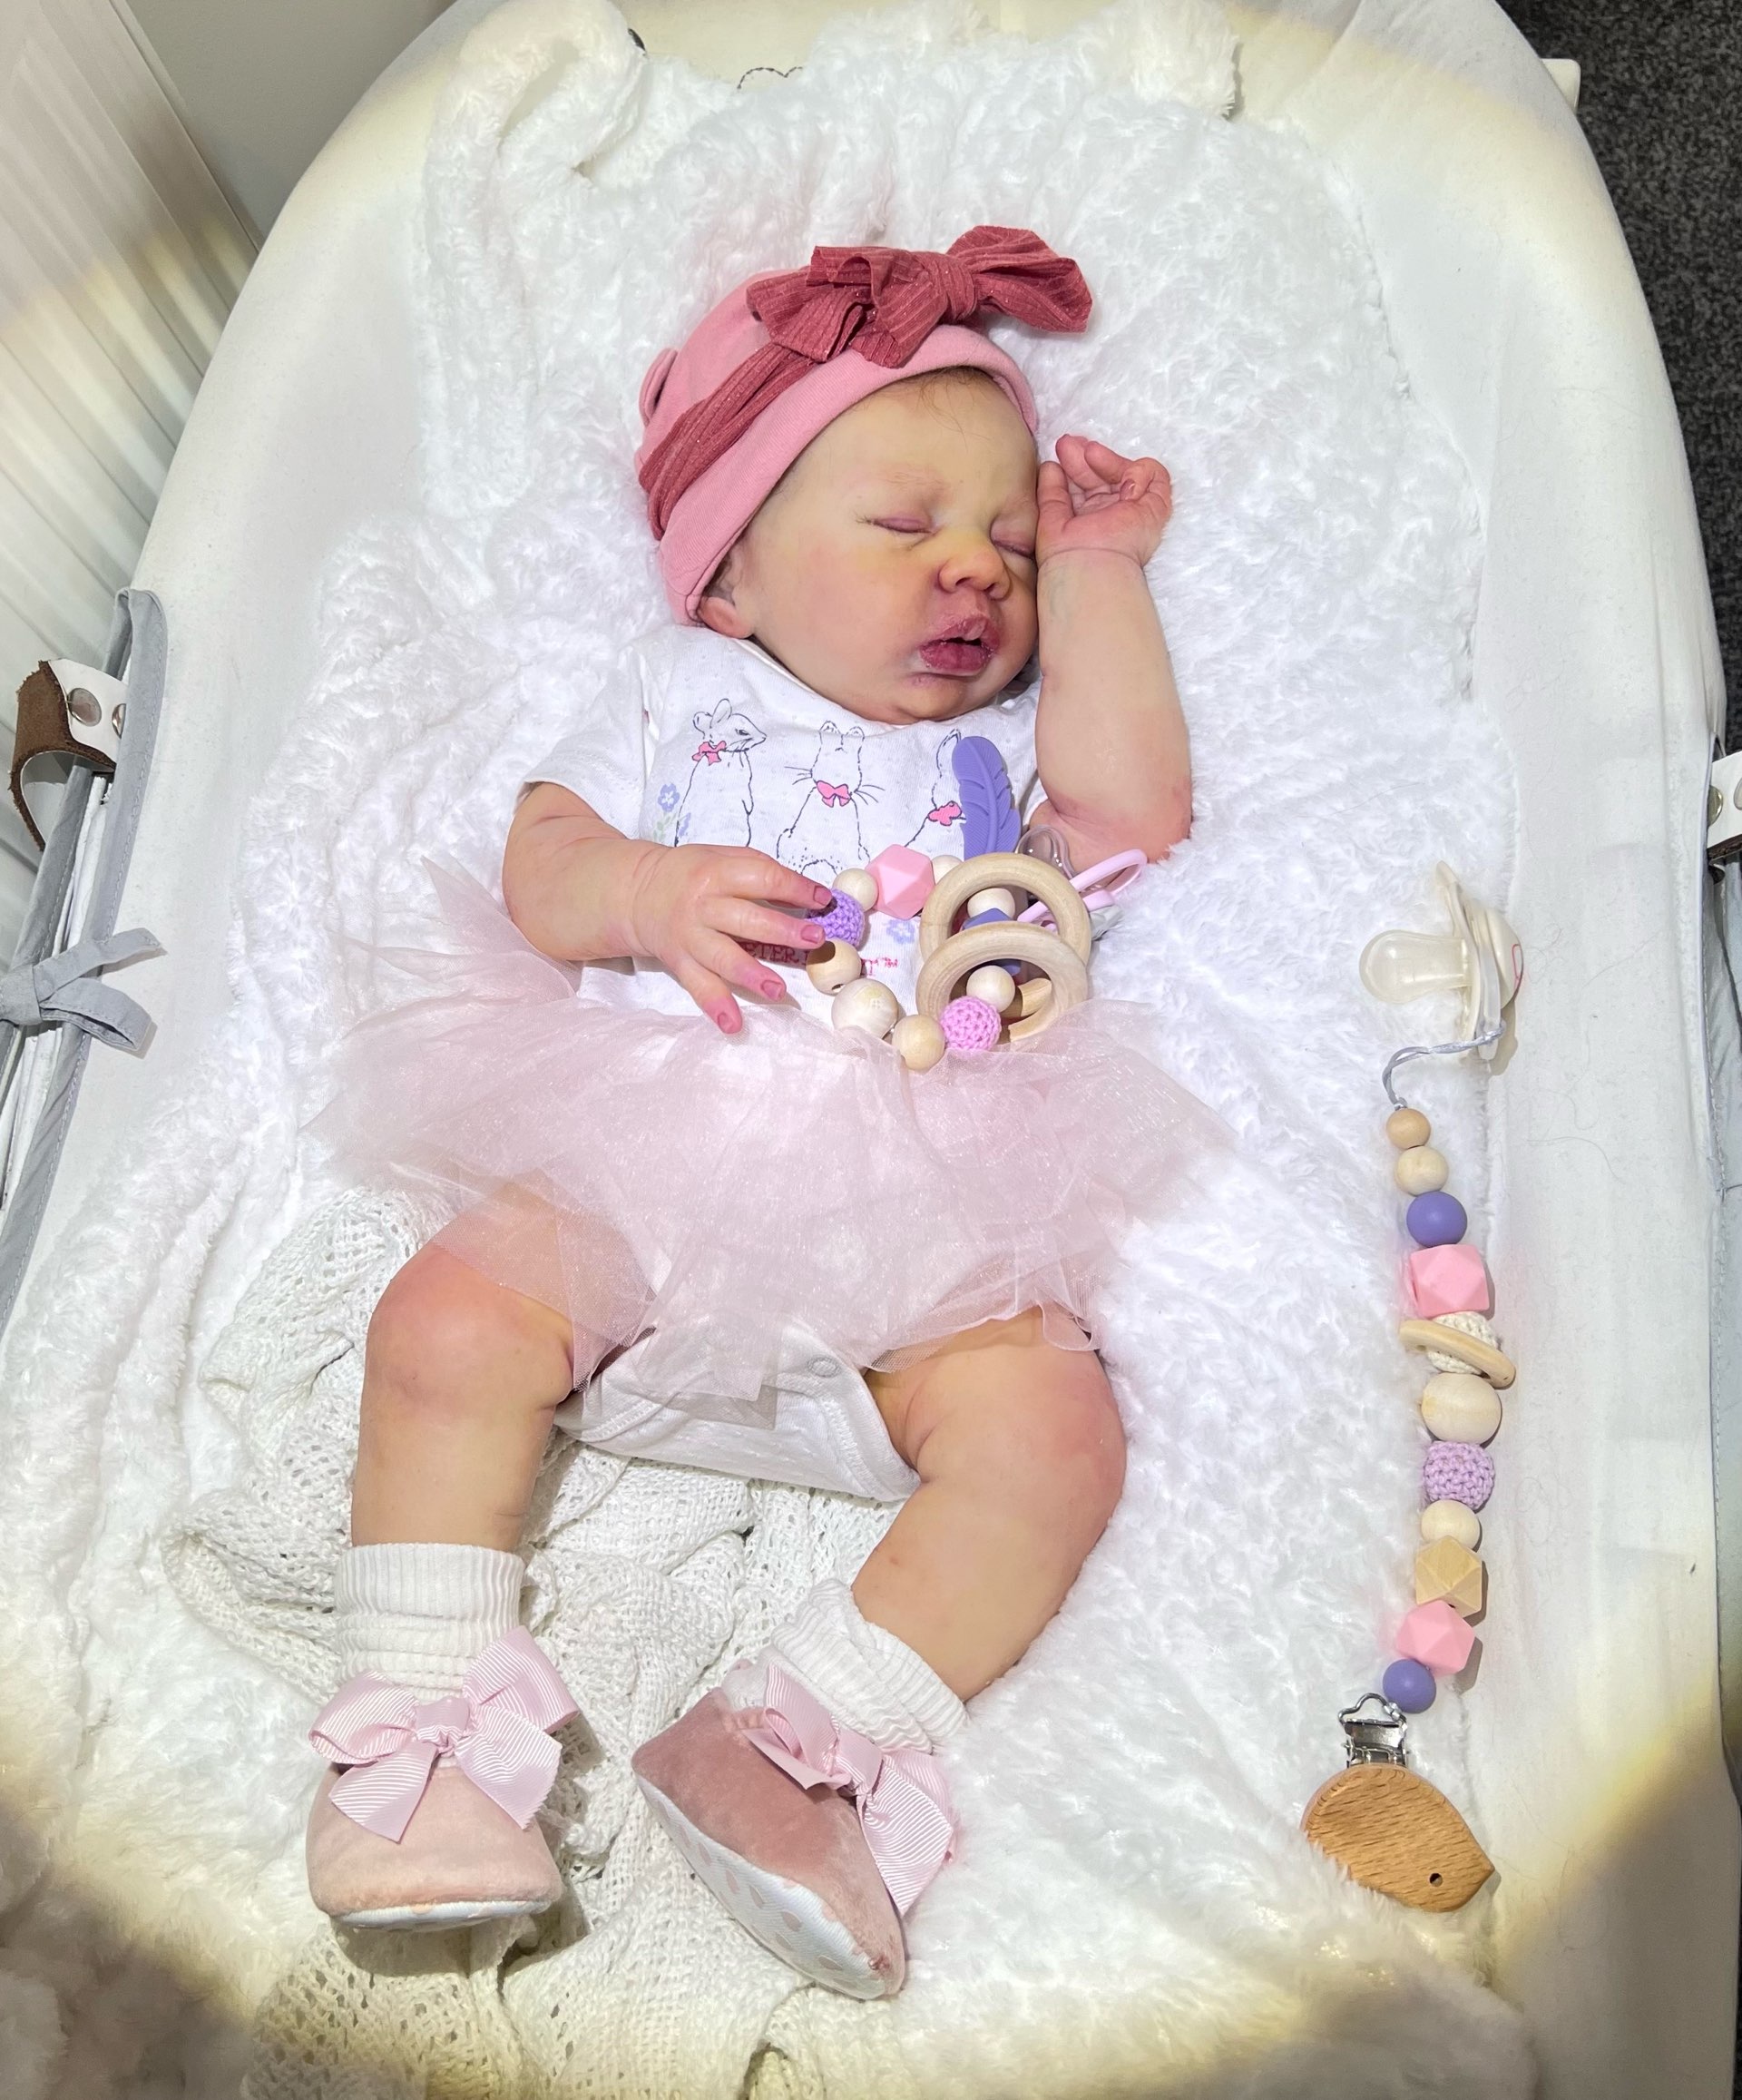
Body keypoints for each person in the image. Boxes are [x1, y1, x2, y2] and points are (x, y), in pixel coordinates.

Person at [303, 227, 1223, 1997]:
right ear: (729, 577)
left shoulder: (1001, 749)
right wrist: (643, 891)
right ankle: (416, 1736)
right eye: (903, 525)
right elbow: (544, 863)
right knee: (443, 1322)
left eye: (1007, 543)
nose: (973, 569)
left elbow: (1133, 810)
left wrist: (1102, 573)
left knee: (1054, 1437)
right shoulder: (681, 688)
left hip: (919, 1205)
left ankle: (793, 1743)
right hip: (654, 1156)